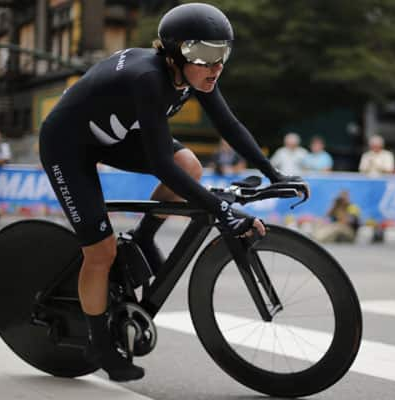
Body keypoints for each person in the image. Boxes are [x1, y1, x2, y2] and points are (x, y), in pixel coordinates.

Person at [38, 3, 306, 382]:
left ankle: (143, 237)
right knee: (100, 251)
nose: (216, 66)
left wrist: (273, 173)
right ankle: (97, 342)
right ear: (174, 53)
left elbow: (229, 125)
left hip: (111, 135)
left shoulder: (196, 75)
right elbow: (161, 165)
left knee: (191, 166)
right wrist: (222, 210)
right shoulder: (148, 78)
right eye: (206, 55)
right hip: (66, 145)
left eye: (222, 54)